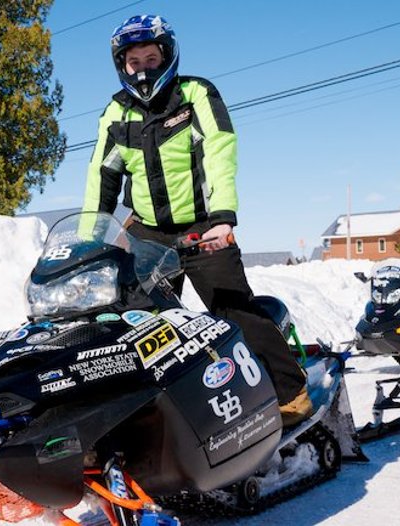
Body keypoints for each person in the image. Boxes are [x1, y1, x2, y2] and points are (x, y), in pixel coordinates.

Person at [82, 14, 312, 426]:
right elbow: (102, 176)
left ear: (166, 55)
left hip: (203, 229)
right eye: (134, 62)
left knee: (234, 313)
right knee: (138, 327)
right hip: (149, 236)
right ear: (122, 66)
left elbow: (220, 153)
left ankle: (290, 393)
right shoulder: (116, 113)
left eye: (151, 58)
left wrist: (223, 218)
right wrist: (90, 242)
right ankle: (150, 416)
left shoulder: (195, 94)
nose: (143, 68)